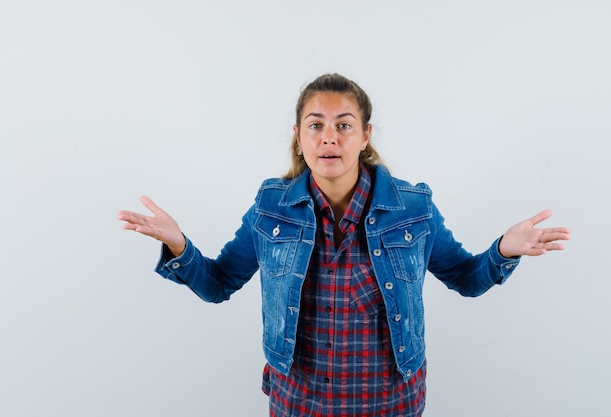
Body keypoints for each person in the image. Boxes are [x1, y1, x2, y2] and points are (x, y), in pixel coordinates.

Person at [117, 73, 570, 417]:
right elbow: (218, 283)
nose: (329, 137)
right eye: (315, 125)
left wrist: (504, 251)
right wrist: (179, 246)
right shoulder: (271, 207)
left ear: (365, 135)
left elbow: (466, 279)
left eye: (344, 125)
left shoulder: (413, 208)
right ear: (298, 134)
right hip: (298, 401)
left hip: (391, 401)